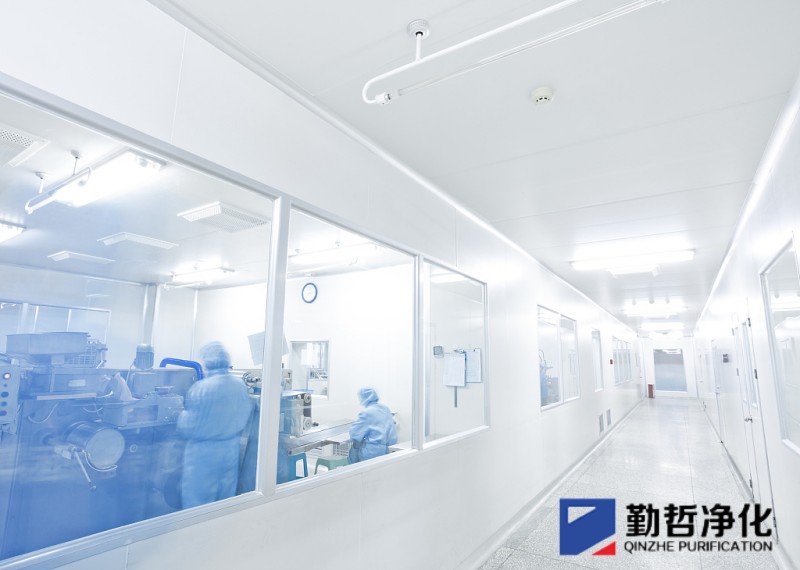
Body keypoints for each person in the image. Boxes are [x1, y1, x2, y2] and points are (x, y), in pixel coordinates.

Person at [177, 341, 253, 509]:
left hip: (204, 453)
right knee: (225, 501)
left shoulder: (201, 388)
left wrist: (180, 414)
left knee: (198, 504)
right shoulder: (239, 386)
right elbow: (245, 414)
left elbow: (188, 426)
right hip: (230, 449)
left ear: (206, 362)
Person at [348, 387, 398, 463]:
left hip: (373, 452)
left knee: (355, 456)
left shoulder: (367, 412)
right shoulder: (385, 408)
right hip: (389, 450)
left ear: (363, 397)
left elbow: (355, 434)